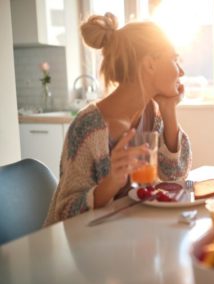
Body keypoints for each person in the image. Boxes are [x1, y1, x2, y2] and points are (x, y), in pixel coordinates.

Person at [44, 13, 192, 225]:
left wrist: (169, 110)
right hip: (79, 247)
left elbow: (176, 178)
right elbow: (66, 213)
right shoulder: (88, 127)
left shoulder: (152, 112)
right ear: (150, 64)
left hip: (123, 236)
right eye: (175, 59)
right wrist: (112, 181)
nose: (182, 71)